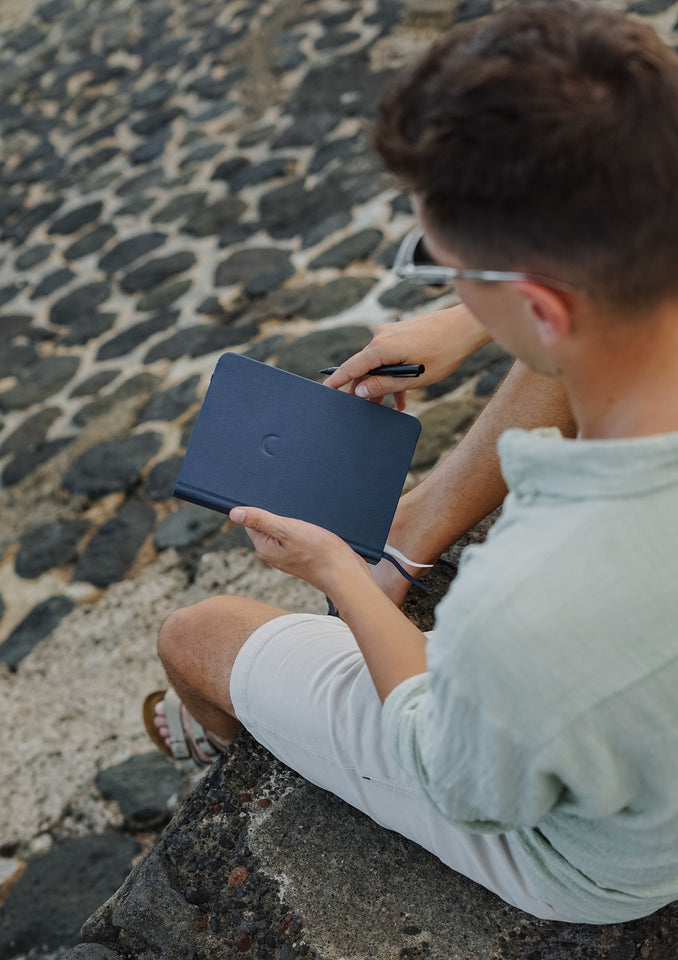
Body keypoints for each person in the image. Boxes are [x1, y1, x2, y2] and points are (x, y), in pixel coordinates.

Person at [144, 0, 678, 924]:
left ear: (543, 305)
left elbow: (458, 774)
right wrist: (473, 317)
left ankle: (242, 719)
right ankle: (407, 541)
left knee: (195, 635)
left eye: (450, 267)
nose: (447, 287)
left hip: (609, 864)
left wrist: (338, 573)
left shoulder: (525, 598)